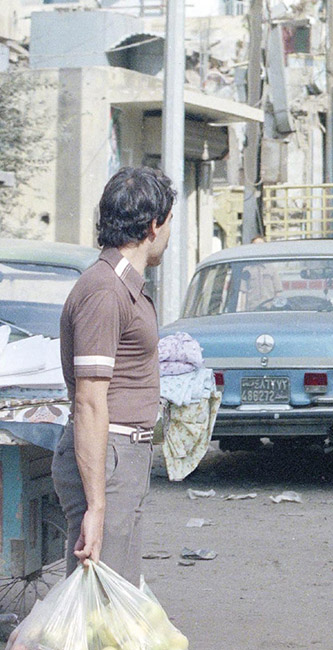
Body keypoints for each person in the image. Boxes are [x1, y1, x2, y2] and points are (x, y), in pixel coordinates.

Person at [52, 167, 175, 586]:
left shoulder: (123, 286)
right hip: (109, 456)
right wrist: (97, 505)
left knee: (110, 598)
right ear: (155, 225)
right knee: (98, 600)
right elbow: (89, 400)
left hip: (123, 454)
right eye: (170, 221)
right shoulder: (105, 290)